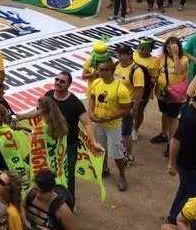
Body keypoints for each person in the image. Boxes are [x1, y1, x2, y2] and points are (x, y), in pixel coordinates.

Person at [17, 71, 98, 199]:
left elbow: (87, 123)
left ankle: (69, 201)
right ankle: (51, 198)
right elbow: (38, 111)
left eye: (62, 81)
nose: (58, 83)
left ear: (69, 84)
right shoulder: (48, 95)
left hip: (68, 146)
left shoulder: (75, 103)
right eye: (57, 80)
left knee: (68, 174)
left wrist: (93, 142)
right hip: (50, 146)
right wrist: (21, 117)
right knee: (49, 174)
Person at [88, 59, 131, 191]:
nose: (98, 72)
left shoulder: (120, 88)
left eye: (102, 70)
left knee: (117, 153)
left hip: (113, 127)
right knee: (102, 148)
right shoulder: (96, 82)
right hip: (99, 124)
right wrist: (91, 112)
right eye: (98, 69)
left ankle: (122, 176)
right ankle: (105, 169)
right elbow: (92, 98)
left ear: (110, 71)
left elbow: (126, 109)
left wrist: (109, 117)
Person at [153, 37, 189, 155]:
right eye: (169, 46)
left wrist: (175, 55)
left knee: (173, 119)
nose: (171, 48)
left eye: (174, 46)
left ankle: (171, 144)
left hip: (175, 94)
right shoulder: (161, 57)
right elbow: (157, 72)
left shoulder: (183, 59)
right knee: (164, 114)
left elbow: (179, 70)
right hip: (162, 92)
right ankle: (163, 135)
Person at [113, 44, 145, 164]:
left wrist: (135, 109)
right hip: (116, 103)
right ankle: (120, 149)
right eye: (118, 54)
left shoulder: (136, 70)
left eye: (121, 54)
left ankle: (129, 154)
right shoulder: (116, 65)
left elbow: (139, 90)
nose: (119, 56)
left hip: (128, 105)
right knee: (117, 128)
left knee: (126, 132)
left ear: (129, 55)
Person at [167, 94, 196, 226]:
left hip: (189, 163)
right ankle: (180, 220)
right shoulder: (190, 118)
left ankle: (173, 217)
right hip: (188, 165)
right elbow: (175, 140)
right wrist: (172, 164)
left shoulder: (191, 110)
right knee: (192, 195)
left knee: (184, 190)